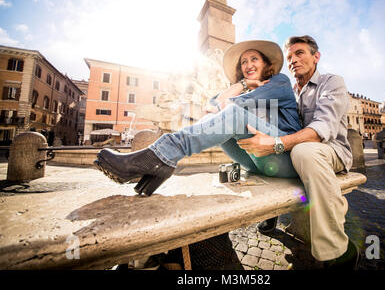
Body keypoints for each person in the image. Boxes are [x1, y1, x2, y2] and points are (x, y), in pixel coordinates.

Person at [94, 40, 302, 198]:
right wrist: (237, 89)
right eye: (244, 62)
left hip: (285, 154)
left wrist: (240, 87)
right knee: (222, 122)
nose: (248, 65)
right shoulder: (242, 89)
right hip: (257, 160)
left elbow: (231, 107)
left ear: (267, 64)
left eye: (254, 59)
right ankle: (161, 162)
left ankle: (160, 156)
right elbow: (211, 107)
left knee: (233, 115)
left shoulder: (279, 82)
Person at [236, 35, 359, 269]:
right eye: (290, 56)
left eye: (300, 53)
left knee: (304, 152)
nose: (293, 60)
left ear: (316, 57)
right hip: (297, 151)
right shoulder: (288, 89)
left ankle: (338, 251)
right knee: (254, 151)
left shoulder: (332, 82)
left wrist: (276, 143)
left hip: (330, 152)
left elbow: (322, 129)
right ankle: (270, 212)